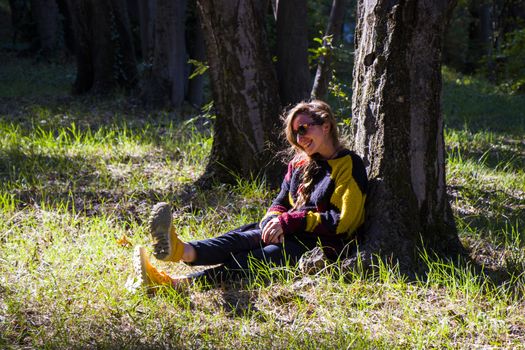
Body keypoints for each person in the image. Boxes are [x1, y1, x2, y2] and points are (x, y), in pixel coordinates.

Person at [134, 100, 368, 290]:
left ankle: (177, 284)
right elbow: (281, 201)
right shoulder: (299, 164)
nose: (299, 139)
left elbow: (344, 221)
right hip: (288, 232)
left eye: (304, 129)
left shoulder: (348, 164)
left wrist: (290, 222)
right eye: (295, 134)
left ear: (325, 125)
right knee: (238, 239)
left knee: (252, 258)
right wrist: (271, 220)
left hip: (320, 245)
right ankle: (178, 250)